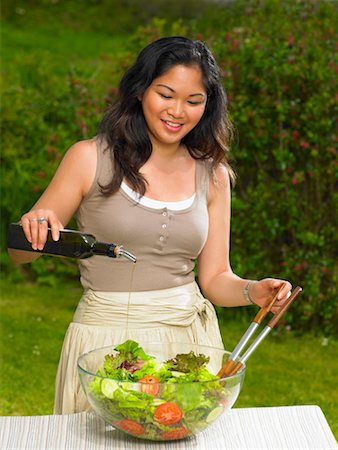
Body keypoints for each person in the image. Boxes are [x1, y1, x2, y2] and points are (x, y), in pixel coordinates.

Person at [8, 36, 292, 414]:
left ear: (208, 106)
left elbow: (215, 278)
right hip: (105, 341)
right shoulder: (88, 158)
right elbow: (19, 256)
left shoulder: (214, 175)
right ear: (141, 90)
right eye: (166, 94)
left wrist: (253, 291)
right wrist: (36, 228)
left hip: (188, 341)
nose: (178, 111)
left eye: (194, 101)